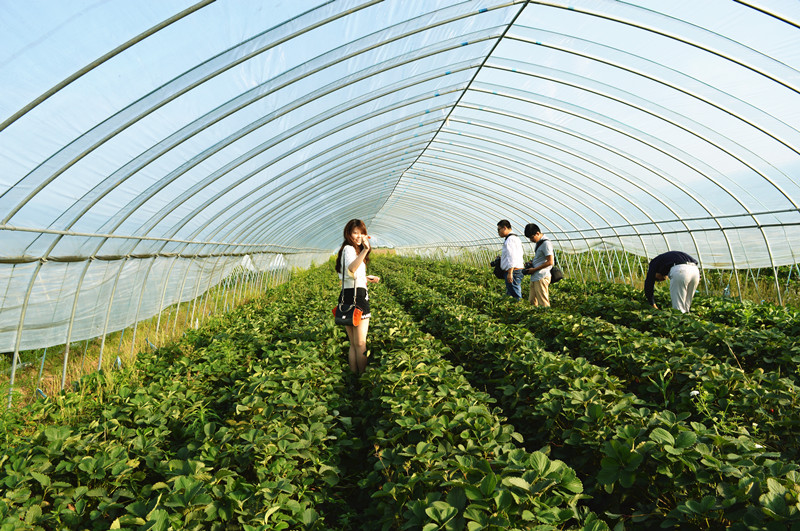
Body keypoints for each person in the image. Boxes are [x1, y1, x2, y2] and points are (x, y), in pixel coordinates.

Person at [335, 219, 380, 374]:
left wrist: (367, 278)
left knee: (354, 343)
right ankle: (362, 378)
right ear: (349, 233)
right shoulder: (349, 249)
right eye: (355, 232)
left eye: (361, 233)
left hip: (348, 295)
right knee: (360, 343)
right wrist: (365, 251)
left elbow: (349, 276)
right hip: (357, 297)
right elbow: (351, 269)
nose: (358, 236)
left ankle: (355, 378)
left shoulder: (349, 249)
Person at [522, 223, 554, 307]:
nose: (531, 240)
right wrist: (532, 263)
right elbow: (541, 259)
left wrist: (534, 269)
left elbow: (550, 262)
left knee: (543, 303)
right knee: (532, 302)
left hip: (541, 277)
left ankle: (547, 318)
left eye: (532, 237)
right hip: (536, 277)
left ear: (537, 233)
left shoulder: (546, 243)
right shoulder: (539, 243)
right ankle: (534, 318)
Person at [497, 220, 524, 300]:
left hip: (513, 271)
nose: (498, 232)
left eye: (499, 229)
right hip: (514, 271)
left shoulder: (510, 240)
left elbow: (512, 256)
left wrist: (510, 272)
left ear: (505, 228)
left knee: (515, 295)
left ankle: (519, 310)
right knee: (511, 294)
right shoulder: (513, 238)